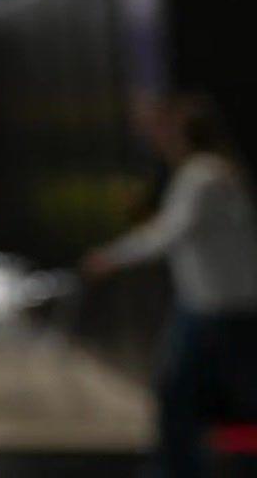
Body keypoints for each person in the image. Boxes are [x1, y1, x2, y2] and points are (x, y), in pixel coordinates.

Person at [82, 94, 257, 478]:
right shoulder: (214, 172)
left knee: (180, 394)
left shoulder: (204, 174)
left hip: (216, 307)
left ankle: (178, 469)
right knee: (227, 396)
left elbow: (169, 232)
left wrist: (110, 257)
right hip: (216, 304)